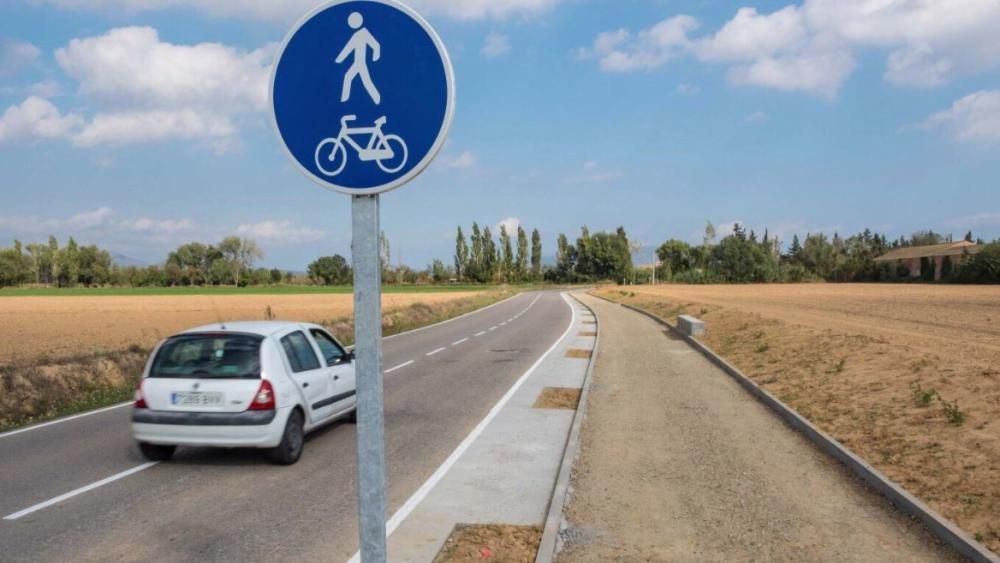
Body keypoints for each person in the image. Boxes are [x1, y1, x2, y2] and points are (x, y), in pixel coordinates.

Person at [336, 11, 381, 105]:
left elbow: (376, 45)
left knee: (365, 81)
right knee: (348, 77)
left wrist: (375, 57)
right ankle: (344, 101)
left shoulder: (364, 33)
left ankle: (377, 99)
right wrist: (339, 59)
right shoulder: (356, 35)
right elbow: (348, 48)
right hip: (357, 63)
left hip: (361, 63)